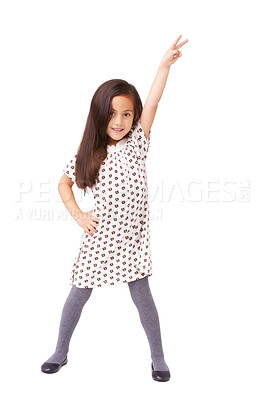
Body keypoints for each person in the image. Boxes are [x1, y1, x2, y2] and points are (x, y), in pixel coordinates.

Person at [41, 35, 188, 382]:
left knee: (143, 299)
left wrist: (164, 66)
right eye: (111, 114)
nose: (119, 121)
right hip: (100, 239)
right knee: (78, 294)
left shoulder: (137, 142)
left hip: (133, 240)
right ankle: (60, 351)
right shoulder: (89, 154)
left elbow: (153, 102)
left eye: (126, 114)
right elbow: (63, 184)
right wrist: (78, 215)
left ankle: (158, 358)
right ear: (98, 115)